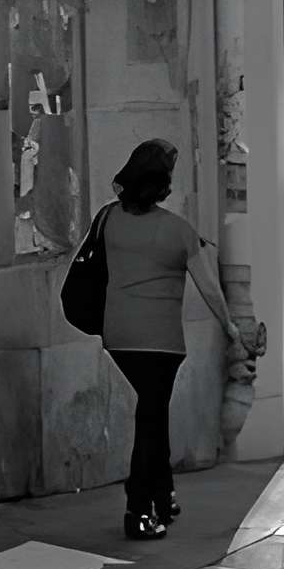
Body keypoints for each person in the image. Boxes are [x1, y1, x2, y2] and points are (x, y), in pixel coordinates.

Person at [97, 138, 240, 539]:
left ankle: (162, 494)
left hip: (119, 336)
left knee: (152, 413)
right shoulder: (178, 231)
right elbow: (210, 288)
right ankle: (138, 509)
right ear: (161, 184)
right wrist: (229, 327)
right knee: (151, 419)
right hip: (160, 343)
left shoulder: (109, 219)